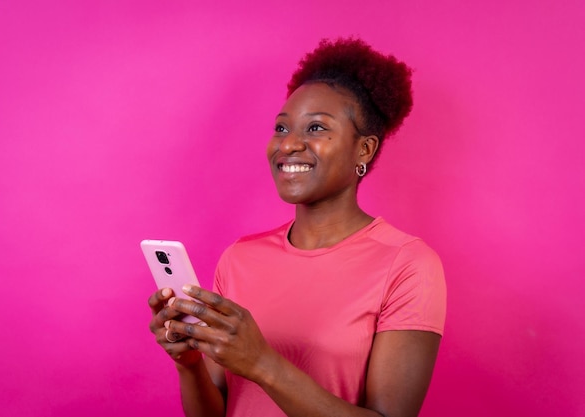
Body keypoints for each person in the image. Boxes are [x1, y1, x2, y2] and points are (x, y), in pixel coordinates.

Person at [148, 37, 446, 417]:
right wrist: (188, 364)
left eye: (317, 128)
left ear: (364, 150)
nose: (288, 145)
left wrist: (262, 364)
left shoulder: (408, 264)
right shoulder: (240, 257)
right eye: (281, 128)